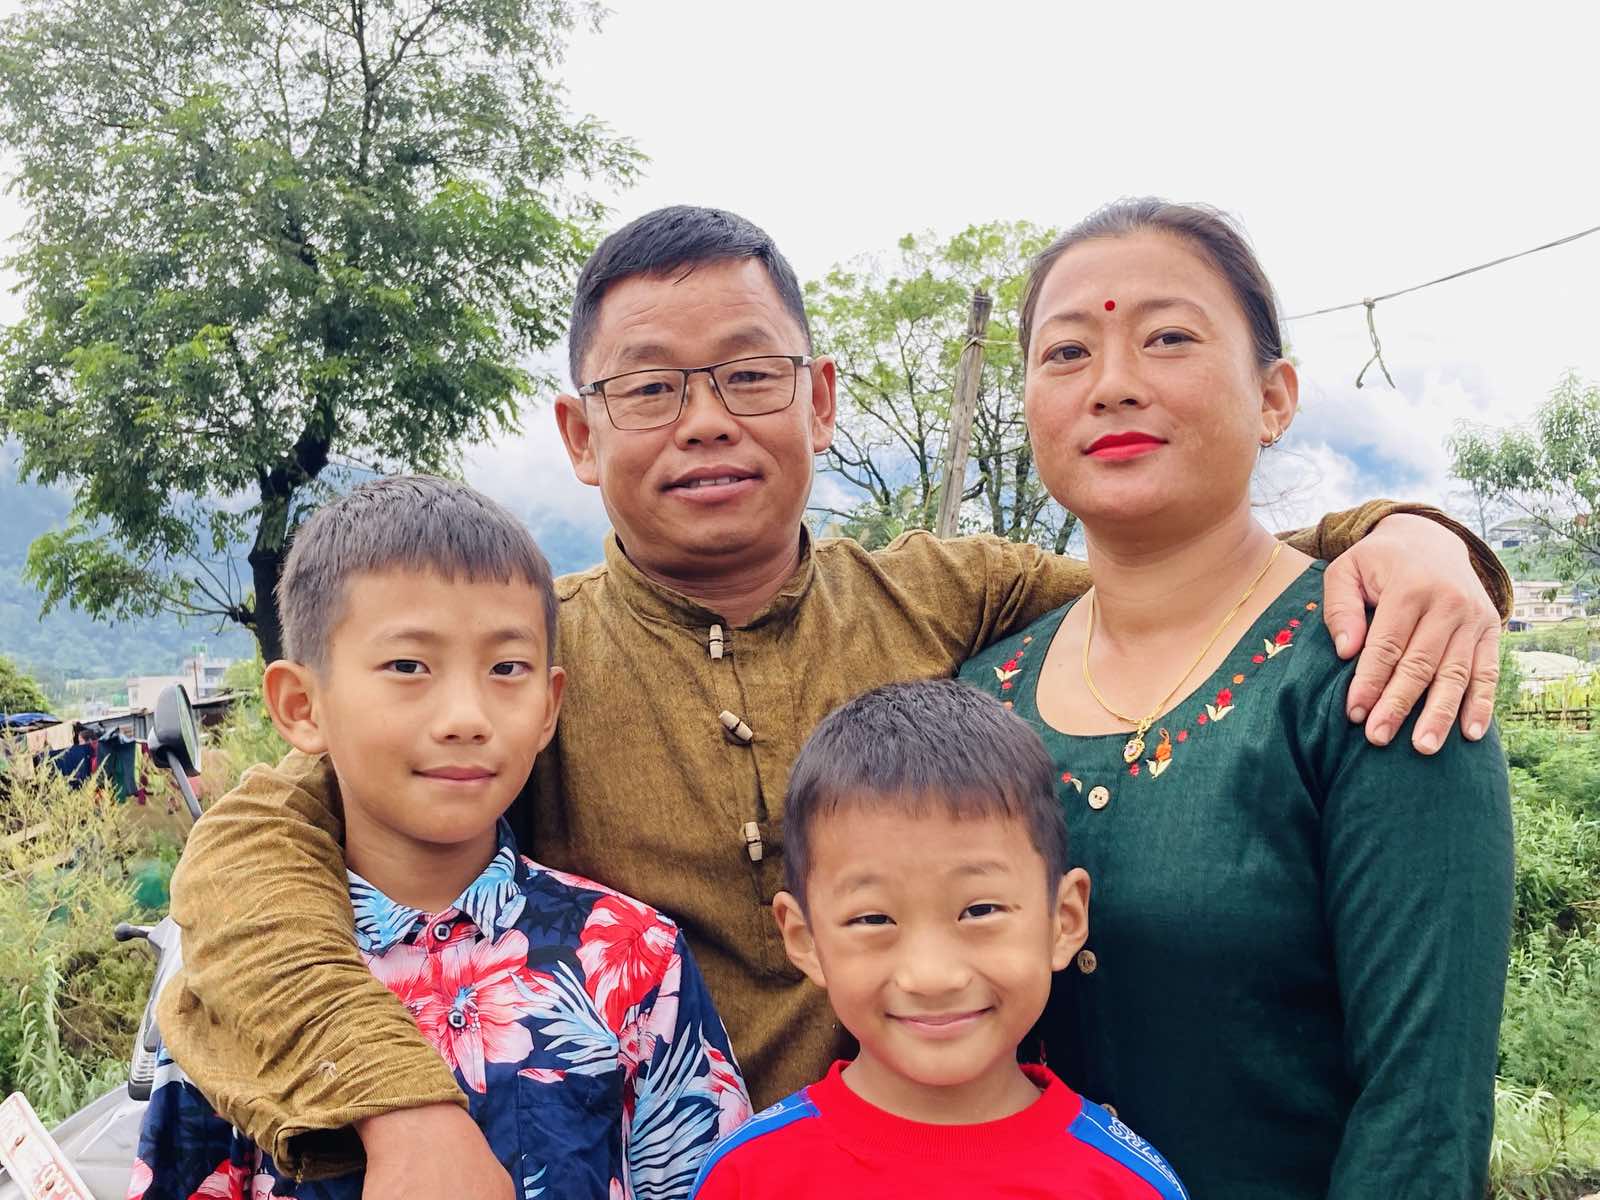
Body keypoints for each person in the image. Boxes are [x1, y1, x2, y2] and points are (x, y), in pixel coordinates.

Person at [156, 207, 1511, 1198]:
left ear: (819, 399)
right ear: (578, 433)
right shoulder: (516, 665)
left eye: (749, 376)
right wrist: (399, 1108)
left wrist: (1402, 538)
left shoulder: (951, 603)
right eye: (649, 387)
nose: (706, 420)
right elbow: (255, 847)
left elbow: (1174, 568)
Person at [959, 198, 1514, 1199]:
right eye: (1067, 353)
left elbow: (1423, 1115)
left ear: (1274, 398)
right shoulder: (980, 699)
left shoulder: (1377, 666)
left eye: (1168, 338)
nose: (1112, 384)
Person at [129, 476, 749, 1200]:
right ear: (302, 705)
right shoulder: (240, 976)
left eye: (506, 669)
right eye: (408, 667)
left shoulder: (635, 959)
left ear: (549, 707)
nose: (465, 717)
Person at [692, 680, 1187, 1200]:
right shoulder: (748, 1178)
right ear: (804, 938)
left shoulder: (1125, 1184)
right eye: (874, 919)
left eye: (980, 910)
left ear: (1062, 920)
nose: (932, 976)